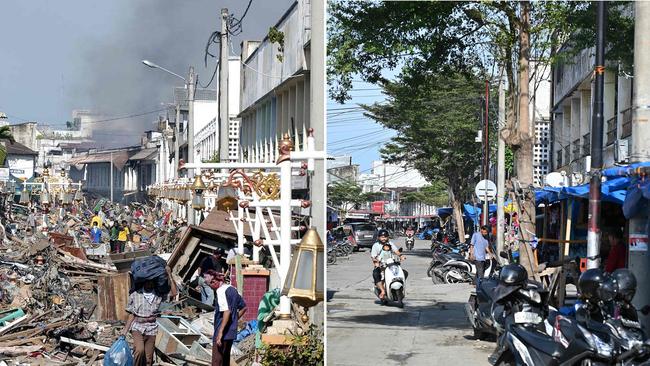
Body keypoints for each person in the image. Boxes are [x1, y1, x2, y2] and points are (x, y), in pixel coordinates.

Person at [123, 266, 177, 366]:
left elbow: (174, 293)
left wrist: (169, 275)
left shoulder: (158, 295)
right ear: (143, 281)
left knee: (148, 359)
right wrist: (124, 331)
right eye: (147, 281)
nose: (149, 283)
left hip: (152, 328)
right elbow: (131, 314)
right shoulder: (135, 294)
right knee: (139, 351)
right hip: (137, 327)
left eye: (152, 281)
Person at [205, 270, 247, 366]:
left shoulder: (220, 291)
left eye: (209, 285)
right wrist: (234, 320)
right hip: (231, 332)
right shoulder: (232, 289)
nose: (211, 287)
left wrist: (220, 332)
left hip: (222, 331)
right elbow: (244, 307)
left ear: (214, 282)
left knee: (217, 361)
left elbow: (226, 311)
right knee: (225, 360)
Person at [370, 229, 406, 300]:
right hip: (381, 265)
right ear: (379, 237)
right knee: (376, 274)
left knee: (404, 273)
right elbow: (373, 256)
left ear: (388, 237)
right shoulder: (376, 245)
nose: (384, 238)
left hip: (391, 265)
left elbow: (396, 251)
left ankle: (401, 287)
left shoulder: (390, 243)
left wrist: (401, 256)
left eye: (385, 237)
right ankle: (382, 291)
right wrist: (376, 262)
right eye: (382, 237)